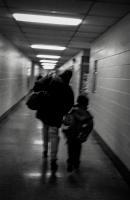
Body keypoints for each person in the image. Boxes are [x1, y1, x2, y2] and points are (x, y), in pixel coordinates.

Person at [33, 69, 74, 173]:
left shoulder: (51, 80)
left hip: (45, 112)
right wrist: (62, 111)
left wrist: (46, 77)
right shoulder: (68, 88)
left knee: (45, 130)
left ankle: (45, 150)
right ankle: (53, 159)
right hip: (56, 116)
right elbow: (70, 104)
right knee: (54, 135)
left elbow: (36, 87)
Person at [62, 94, 93, 172]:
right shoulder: (87, 114)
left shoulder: (72, 110)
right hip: (79, 135)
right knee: (78, 148)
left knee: (70, 148)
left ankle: (70, 162)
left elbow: (66, 122)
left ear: (78, 101)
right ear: (86, 104)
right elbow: (90, 124)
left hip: (70, 134)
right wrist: (84, 135)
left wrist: (65, 131)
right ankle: (76, 163)